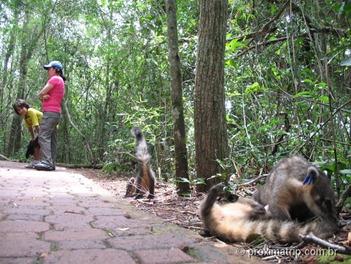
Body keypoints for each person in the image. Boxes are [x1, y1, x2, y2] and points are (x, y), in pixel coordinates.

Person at [34, 60, 65, 171]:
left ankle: (47, 162)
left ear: (56, 69)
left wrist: (41, 96)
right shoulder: (61, 81)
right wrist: (43, 96)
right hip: (56, 113)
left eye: (49, 69)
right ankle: (51, 162)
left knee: (43, 135)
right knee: (51, 138)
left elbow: (41, 93)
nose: (48, 71)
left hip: (50, 112)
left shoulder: (55, 79)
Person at [12, 99, 42, 168]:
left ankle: (38, 161)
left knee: (37, 143)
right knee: (33, 143)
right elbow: (30, 129)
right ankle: (36, 161)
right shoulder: (25, 117)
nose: (21, 111)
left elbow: (36, 125)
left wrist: (39, 137)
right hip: (41, 129)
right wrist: (33, 138)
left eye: (22, 108)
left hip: (47, 127)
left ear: (25, 106)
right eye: (19, 110)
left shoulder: (30, 111)